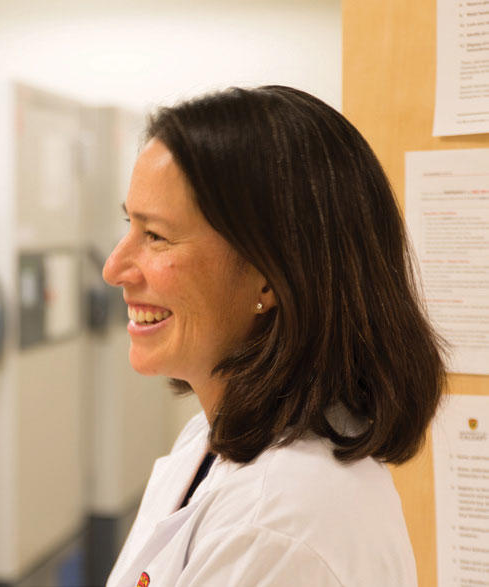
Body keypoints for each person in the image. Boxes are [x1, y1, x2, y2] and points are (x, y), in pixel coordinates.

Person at [102, 85, 445, 587]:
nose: (114, 268)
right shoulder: (215, 439)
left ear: (270, 275)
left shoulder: (277, 526)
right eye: (129, 225)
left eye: (155, 235)